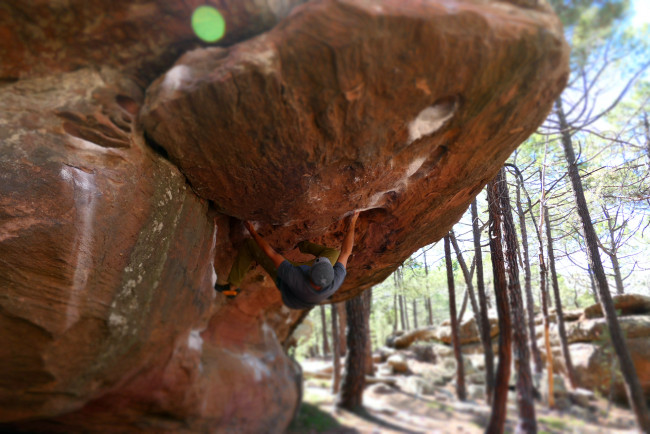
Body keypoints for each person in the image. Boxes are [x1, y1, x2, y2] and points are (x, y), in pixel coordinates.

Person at [214, 211, 360, 309]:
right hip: (308, 291)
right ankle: (302, 244)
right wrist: (352, 222)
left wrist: (251, 230)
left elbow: (270, 253)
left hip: (288, 289)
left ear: (310, 272)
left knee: (250, 245)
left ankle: (232, 287)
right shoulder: (335, 279)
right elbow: (346, 251)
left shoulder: (293, 276)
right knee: (334, 253)